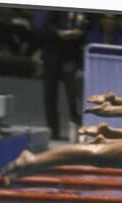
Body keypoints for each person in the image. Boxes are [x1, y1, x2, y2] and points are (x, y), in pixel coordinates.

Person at [33, 10, 87, 140]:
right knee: (50, 97)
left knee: (74, 98)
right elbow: (40, 26)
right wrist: (57, 32)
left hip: (72, 57)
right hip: (52, 56)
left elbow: (88, 26)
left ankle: (77, 134)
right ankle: (53, 133)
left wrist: (81, 32)